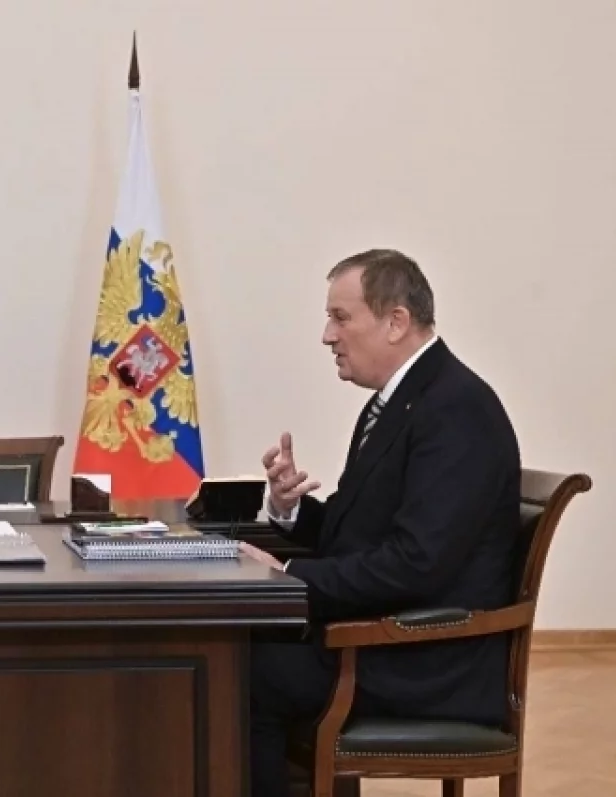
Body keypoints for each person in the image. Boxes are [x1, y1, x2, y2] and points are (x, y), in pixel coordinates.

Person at [237, 250, 521, 797]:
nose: (327, 336)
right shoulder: (403, 402)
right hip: (382, 639)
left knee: (236, 673)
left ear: (396, 322)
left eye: (340, 318)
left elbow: (416, 563)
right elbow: (362, 536)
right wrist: (290, 509)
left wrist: (289, 575)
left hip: (427, 658)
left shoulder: (456, 409)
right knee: (238, 654)